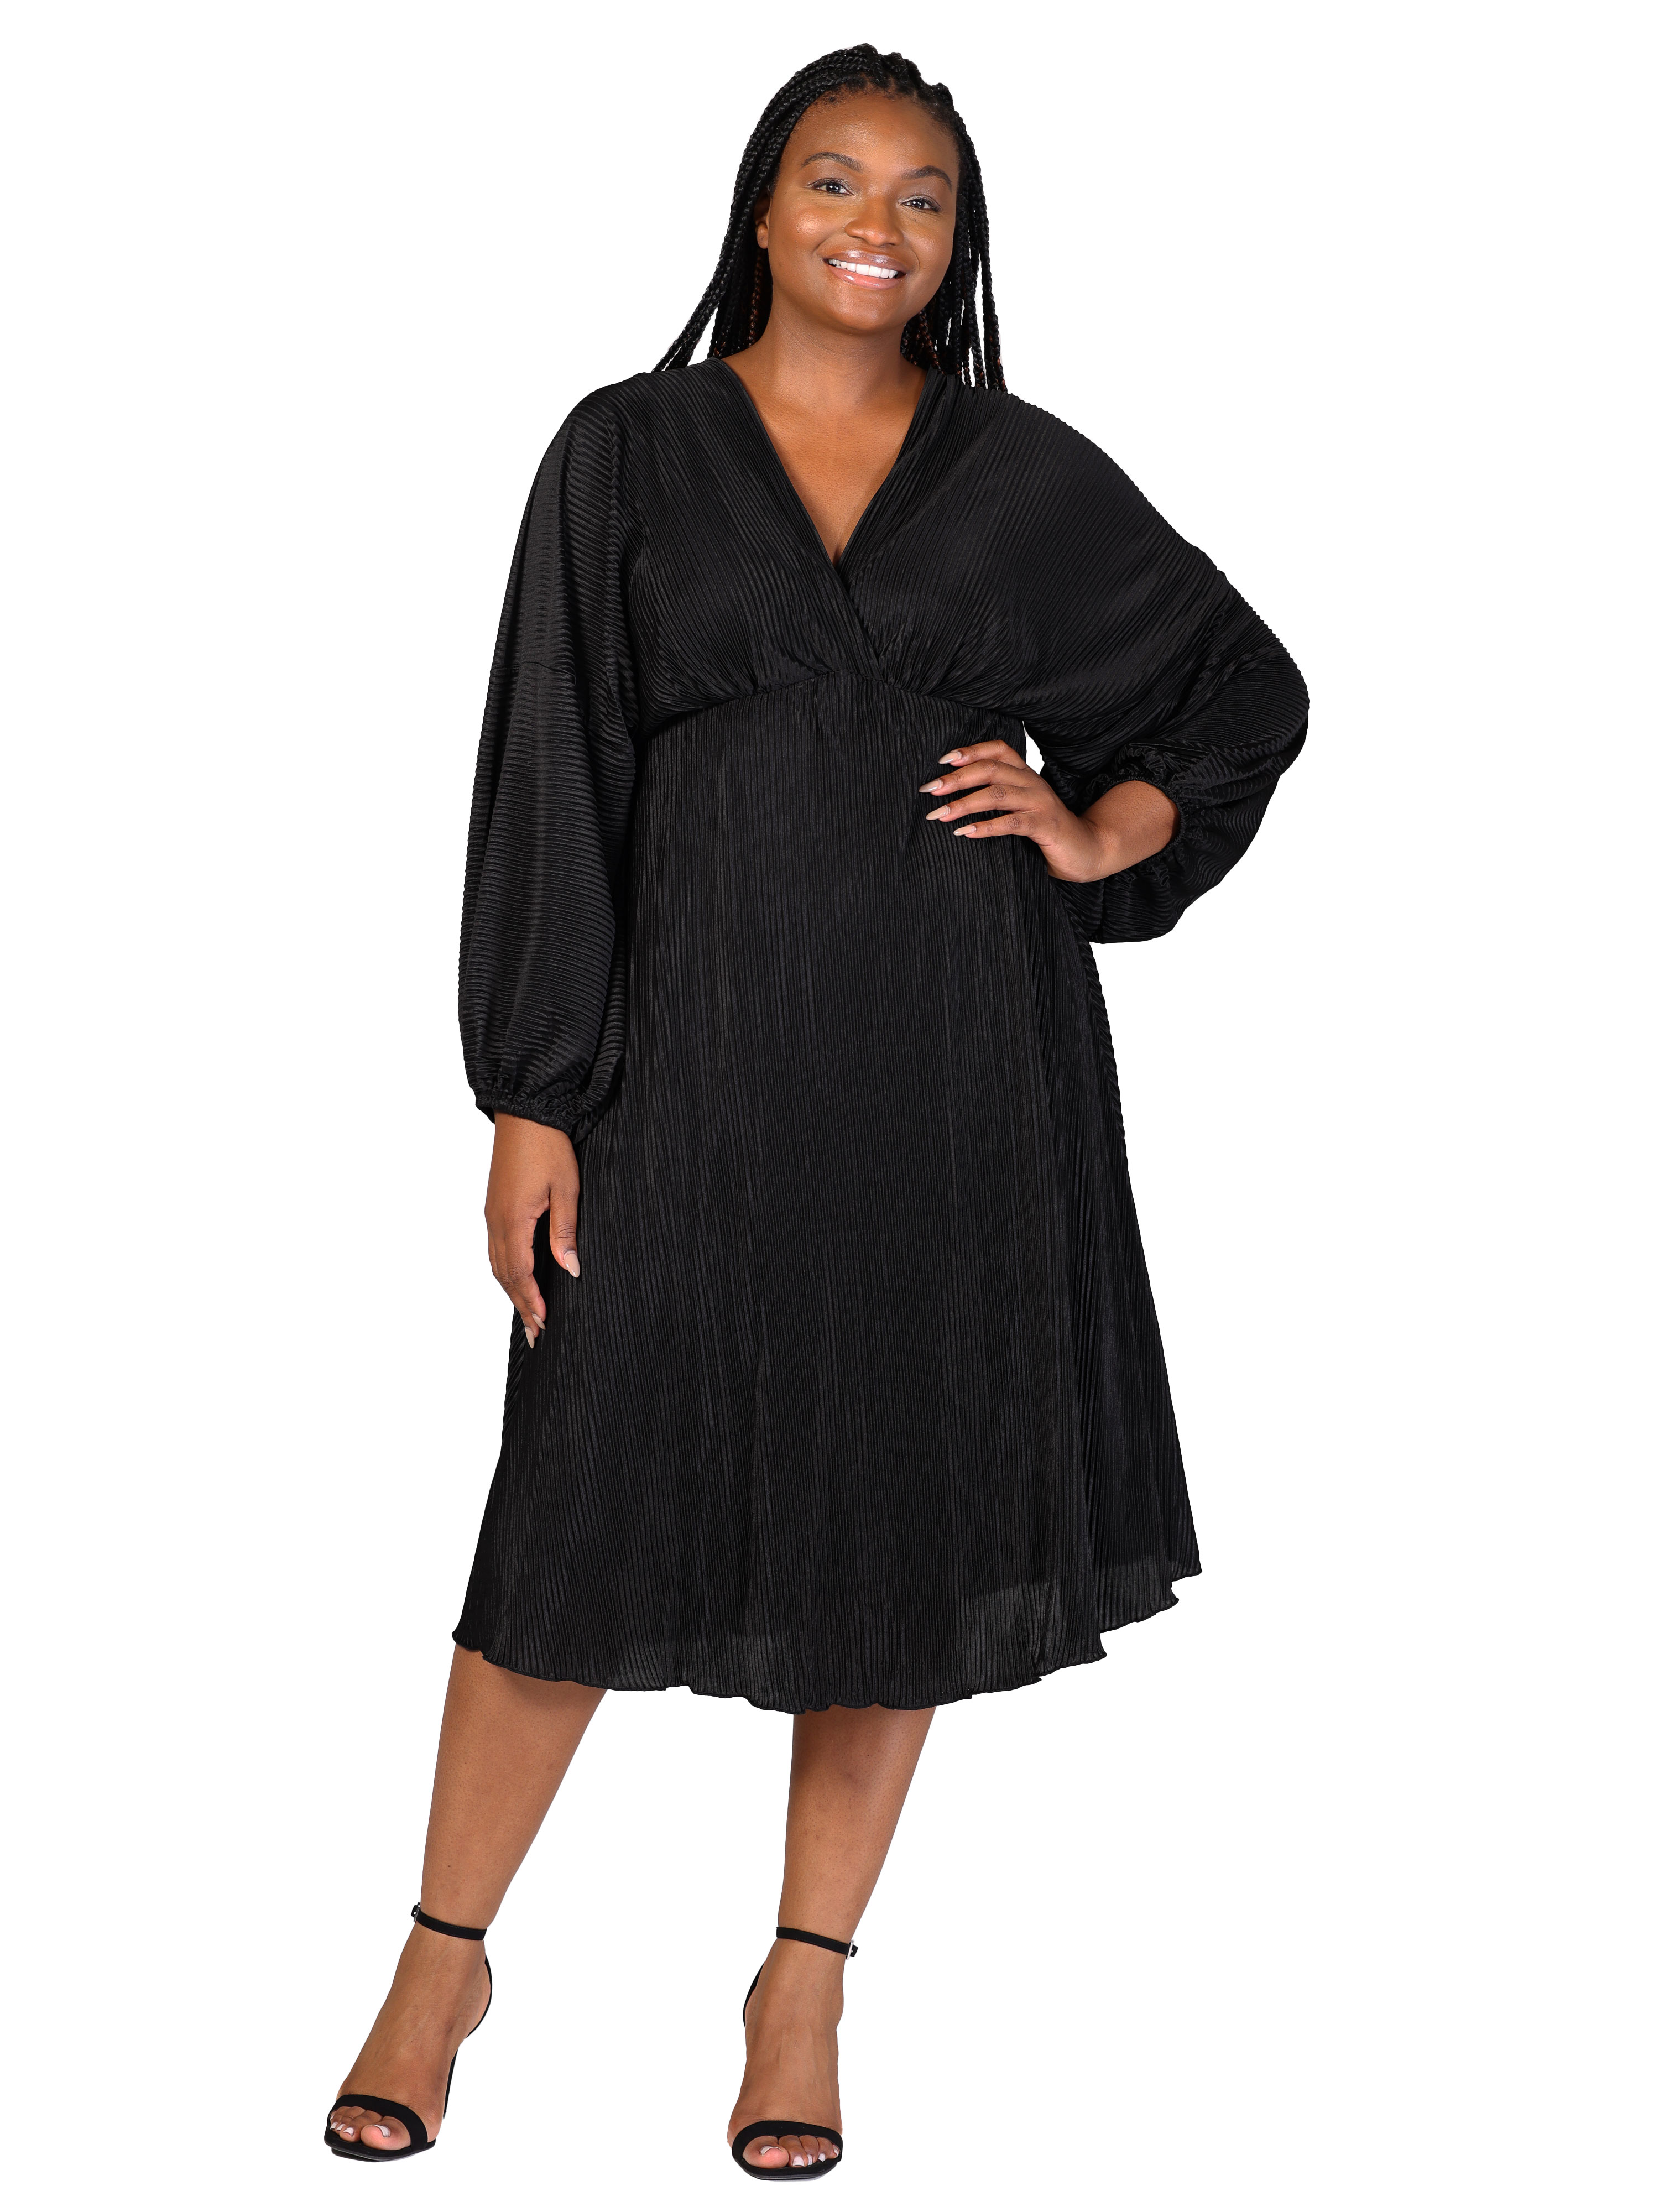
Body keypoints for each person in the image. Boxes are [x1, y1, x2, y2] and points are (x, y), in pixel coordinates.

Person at [325, 44, 1308, 2177]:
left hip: (956, 1066)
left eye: (925, 195)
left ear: (961, 239)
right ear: (763, 208)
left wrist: (1098, 824)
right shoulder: (628, 451)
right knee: (573, 1511)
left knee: (899, 1516)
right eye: (838, 179)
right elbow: (555, 763)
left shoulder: (1016, 473)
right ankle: (438, 1960)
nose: (880, 222)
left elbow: (1243, 690)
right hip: (684, 1067)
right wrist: (531, 1095)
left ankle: (803, 1987)